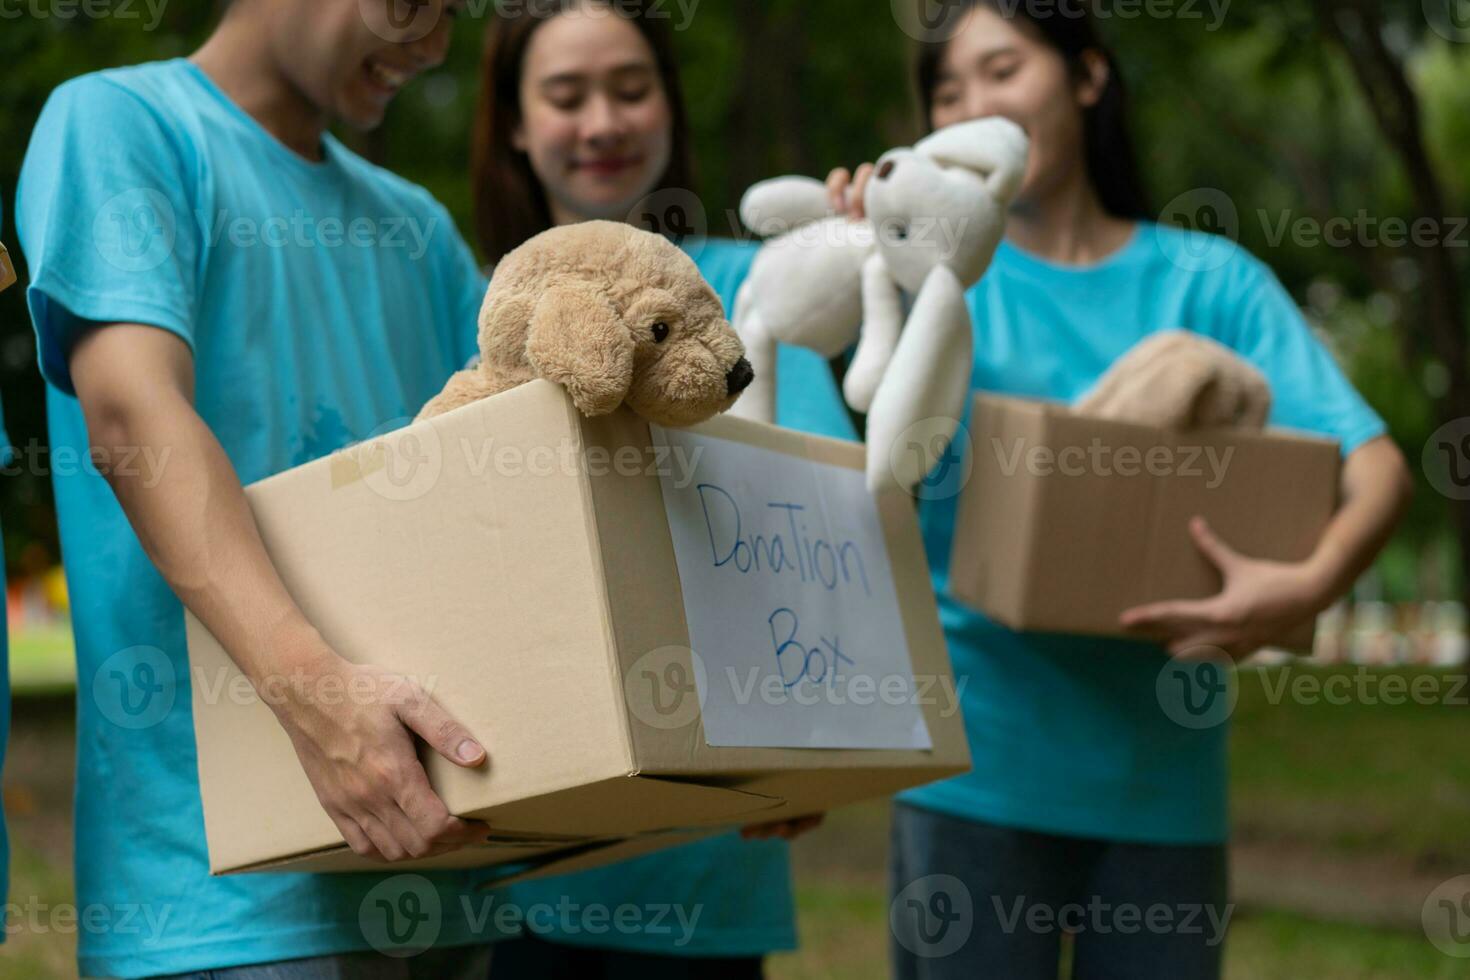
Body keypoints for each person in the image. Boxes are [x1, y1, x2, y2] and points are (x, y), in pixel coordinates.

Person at [819, 3, 1412, 978]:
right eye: (947, 91)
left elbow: (1376, 466)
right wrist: (852, 253)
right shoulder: (928, 282)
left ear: (1087, 76)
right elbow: (802, 421)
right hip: (973, 777)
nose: (973, 107)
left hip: (1160, 791)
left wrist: (1306, 588)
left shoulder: (1207, 281)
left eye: (1002, 70)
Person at [16, 1, 521, 976]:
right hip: (220, 908)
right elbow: (131, 420)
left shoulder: (419, 231)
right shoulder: (122, 125)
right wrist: (319, 695)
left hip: (442, 879)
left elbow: (506, 492)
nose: (435, 45)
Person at [467, 3, 832, 977]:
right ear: (513, 120)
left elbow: (829, 527)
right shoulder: (480, 315)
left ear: (670, 104)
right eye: (565, 94)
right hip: (522, 874)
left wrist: (829, 742)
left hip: (717, 866)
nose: (602, 122)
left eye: (631, 88)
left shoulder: (759, 296)